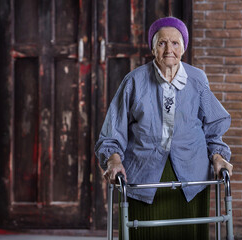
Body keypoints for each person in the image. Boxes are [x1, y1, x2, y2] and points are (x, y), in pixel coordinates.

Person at [95, 16, 233, 240]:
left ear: (184, 48)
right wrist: (113, 160)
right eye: (162, 43)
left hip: (192, 177)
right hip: (143, 175)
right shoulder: (134, 81)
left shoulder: (198, 80)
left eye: (175, 43)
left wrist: (218, 156)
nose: (169, 49)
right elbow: (112, 132)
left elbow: (213, 129)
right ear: (152, 48)